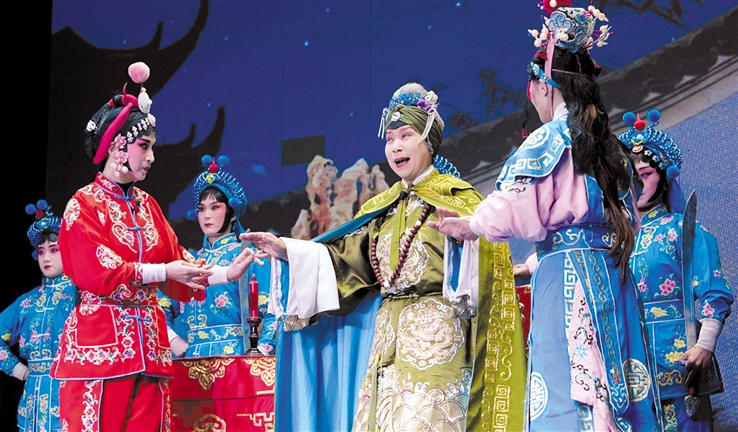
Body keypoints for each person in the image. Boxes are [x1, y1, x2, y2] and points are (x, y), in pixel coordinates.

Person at [428, 2, 661, 430]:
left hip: (567, 278)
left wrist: (471, 225)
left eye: (532, 87)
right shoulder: (609, 146)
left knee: (564, 383)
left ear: (545, 86)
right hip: (612, 275)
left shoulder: (550, 139)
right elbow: (611, 220)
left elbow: (512, 205)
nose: (531, 96)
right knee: (618, 378)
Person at [242, 83, 526, 432]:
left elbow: (487, 264)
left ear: (428, 141)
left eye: (406, 136)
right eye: (390, 139)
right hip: (385, 347)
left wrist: (463, 243)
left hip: (437, 343)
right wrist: (287, 250)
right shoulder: (382, 209)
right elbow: (345, 260)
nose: (395, 146)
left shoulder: (458, 199)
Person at [50, 62, 262, 431]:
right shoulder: (83, 206)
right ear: (118, 146)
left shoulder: (147, 206)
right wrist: (163, 272)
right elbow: (99, 270)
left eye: (152, 147)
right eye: (143, 146)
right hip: (100, 347)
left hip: (150, 347)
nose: (151, 157)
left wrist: (226, 273)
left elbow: (177, 260)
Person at [619, 109, 733, 431]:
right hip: (630, 367)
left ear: (665, 175)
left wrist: (705, 344)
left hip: (680, 364)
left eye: (645, 174)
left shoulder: (685, 230)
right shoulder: (616, 240)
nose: (637, 183)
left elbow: (714, 290)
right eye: (630, 177)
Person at [160, 155, 277, 357]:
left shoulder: (248, 255)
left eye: (215, 207)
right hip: (192, 360)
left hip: (237, 357)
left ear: (232, 213)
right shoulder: (187, 260)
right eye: (201, 209)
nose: (207, 215)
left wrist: (262, 352)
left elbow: (273, 310)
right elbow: (157, 308)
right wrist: (172, 340)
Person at [0, 200, 77, 431]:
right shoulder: (27, 302)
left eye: (54, 250)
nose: (46, 258)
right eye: (42, 251)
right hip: (33, 399)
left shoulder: (82, 293)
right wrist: (21, 371)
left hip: (72, 392)